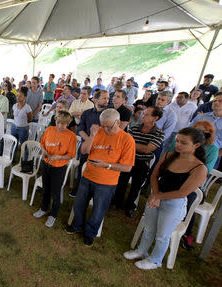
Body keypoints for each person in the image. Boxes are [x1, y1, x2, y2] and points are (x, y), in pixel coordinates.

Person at [123, 127, 207, 270]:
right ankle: (141, 250)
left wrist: (158, 196)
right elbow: (154, 175)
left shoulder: (199, 168)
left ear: (196, 145)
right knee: (149, 228)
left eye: (183, 143)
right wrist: (155, 195)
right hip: (157, 196)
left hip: (174, 204)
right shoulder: (168, 156)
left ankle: (155, 260)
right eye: (177, 141)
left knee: (162, 234)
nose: (178, 145)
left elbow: (183, 192)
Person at [66, 109, 136, 246]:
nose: (104, 129)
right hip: (88, 176)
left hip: (106, 182)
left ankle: (90, 233)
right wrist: (92, 135)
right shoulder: (98, 132)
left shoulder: (127, 140)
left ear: (118, 122)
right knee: (79, 204)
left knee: (98, 210)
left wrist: (107, 165)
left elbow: (127, 167)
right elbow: (84, 151)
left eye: (108, 126)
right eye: (102, 125)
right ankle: (77, 225)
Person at [169, 121, 218, 250]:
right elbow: (168, 158)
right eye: (195, 130)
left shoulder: (212, 149)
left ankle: (186, 232)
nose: (197, 134)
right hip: (174, 178)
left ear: (208, 135)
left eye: (201, 132)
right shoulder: (179, 143)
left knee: (188, 199)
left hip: (195, 186)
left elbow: (204, 171)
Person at [114, 106, 165, 217]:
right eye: (144, 113)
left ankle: (130, 206)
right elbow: (125, 145)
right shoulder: (134, 128)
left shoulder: (159, 133)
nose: (143, 116)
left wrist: (131, 145)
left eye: (147, 114)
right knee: (121, 181)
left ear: (155, 118)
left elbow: (148, 149)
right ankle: (117, 202)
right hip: (128, 158)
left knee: (136, 185)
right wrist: (134, 146)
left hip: (143, 162)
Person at [33, 111, 77, 227]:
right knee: (46, 188)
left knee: (56, 193)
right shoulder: (49, 130)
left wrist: (60, 157)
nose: (59, 126)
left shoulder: (71, 136)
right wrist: (43, 151)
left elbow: (71, 155)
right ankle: (43, 208)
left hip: (59, 168)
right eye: (58, 122)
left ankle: (53, 215)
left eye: (63, 124)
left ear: (67, 124)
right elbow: (42, 143)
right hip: (46, 164)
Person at [69, 89, 109, 198]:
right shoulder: (87, 113)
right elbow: (80, 129)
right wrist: (89, 141)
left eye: (108, 98)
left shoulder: (109, 115)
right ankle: (78, 188)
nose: (107, 100)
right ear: (95, 99)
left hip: (101, 149)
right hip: (86, 147)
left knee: (96, 170)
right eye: (104, 98)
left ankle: (92, 192)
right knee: (82, 167)